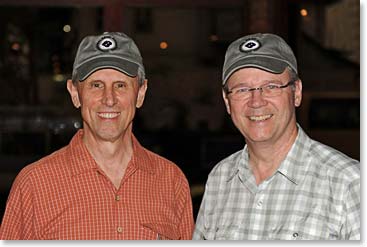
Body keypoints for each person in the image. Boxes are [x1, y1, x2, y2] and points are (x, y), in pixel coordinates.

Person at [0, 32, 194, 240]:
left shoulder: (171, 181)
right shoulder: (34, 184)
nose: (109, 99)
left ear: (140, 93)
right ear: (75, 93)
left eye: (120, 85)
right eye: (96, 85)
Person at [193, 33, 360, 240]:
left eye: (271, 86)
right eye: (242, 89)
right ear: (227, 102)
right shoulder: (220, 179)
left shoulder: (349, 183)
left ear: (296, 92)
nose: (256, 101)